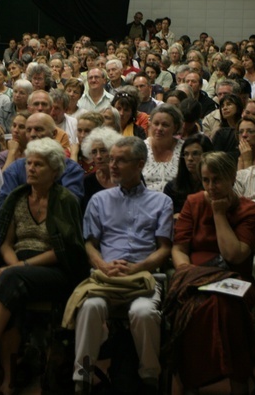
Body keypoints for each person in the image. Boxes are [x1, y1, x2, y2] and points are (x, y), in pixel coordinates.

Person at [0, 138, 88, 393]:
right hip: (18, 270)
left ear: (54, 171)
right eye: (29, 163)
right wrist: (16, 265)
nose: (31, 168)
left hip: (55, 271)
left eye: (38, 165)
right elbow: (5, 243)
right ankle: (9, 380)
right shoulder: (17, 197)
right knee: (11, 297)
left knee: (9, 281)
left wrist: (19, 267)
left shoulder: (65, 200)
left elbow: (64, 250)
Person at [64, 136, 173, 395]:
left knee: (143, 313)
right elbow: (89, 244)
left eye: (120, 161)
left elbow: (165, 248)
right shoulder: (99, 200)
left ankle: (149, 377)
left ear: (140, 164)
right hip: (106, 275)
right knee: (90, 307)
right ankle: (83, 377)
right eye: (111, 159)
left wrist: (139, 267)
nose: (112, 165)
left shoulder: (161, 201)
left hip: (143, 276)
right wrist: (102, 265)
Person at [166, 152, 255, 395]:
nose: (210, 187)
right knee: (195, 305)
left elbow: (234, 255)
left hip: (234, 278)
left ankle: (233, 380)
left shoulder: (248, 209)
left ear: (232, 178)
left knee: (222, 305)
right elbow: (179, 249)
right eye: (205, 180)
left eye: (217, 180)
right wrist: (189, 274)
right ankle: (193, 381)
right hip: (194, 277)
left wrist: (218, 214)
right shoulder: (194, 202)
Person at [143, 105, 185, 192]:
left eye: (165, 125)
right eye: (156, 124)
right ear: (150, 124)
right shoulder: (141, 148)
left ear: (175, 127)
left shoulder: (184, 149)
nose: (159, 128)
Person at [80, 127, 123, 211]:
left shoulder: (127, 177)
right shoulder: (88, 182)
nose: (98, 156)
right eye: (94, 152)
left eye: (103, 151)